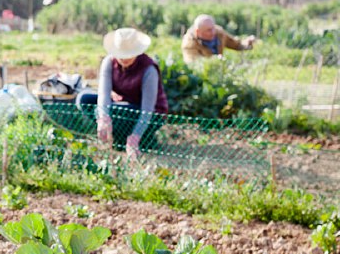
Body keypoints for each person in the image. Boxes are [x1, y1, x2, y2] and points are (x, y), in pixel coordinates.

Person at [76, 27, 168, 160]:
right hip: (122, 104)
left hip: (149, 113)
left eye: (129, 54)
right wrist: (103, 119)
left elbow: (148, 109)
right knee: (84, 99)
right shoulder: (108, 62)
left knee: (116, 111)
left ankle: (138, 136)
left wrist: (135, 137)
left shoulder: (149, 69)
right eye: (121, 54)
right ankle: (118, 135)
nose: (124, 59)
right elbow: (103, 94)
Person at [181, 14, 256, 64]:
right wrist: (215, 60)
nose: (213, 32)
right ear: (198, 32)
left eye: (213, 27)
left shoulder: (219, 33)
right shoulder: (189, 44)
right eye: (209, 30)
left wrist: (247, 43)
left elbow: (236, 44)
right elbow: (193, 64)